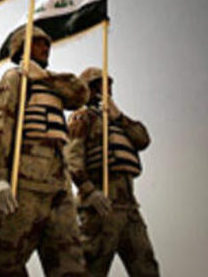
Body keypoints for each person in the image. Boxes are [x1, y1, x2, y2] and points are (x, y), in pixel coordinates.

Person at [0, 26, 88, 276]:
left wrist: (44, 77)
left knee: (70, 262)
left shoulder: (53, 84)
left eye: (47, 45)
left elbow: (79, 94)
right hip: (26, 180)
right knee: (4, 260)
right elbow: (0, 126)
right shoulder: (15, 79)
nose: (46, 48)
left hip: (59, 183)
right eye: (40, 44)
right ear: (24, 47)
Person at [66, 68, 159, 277]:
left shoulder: (118, 121)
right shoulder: (83, 118)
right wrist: (90, 191)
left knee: (146, 268)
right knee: (91, 268)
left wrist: (119, 116)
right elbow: (72, 160)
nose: (106, 89)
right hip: (101, 206)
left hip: (128, 206)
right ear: (88, 89)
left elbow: (142, 140)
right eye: (100, 84)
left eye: (108, 85)